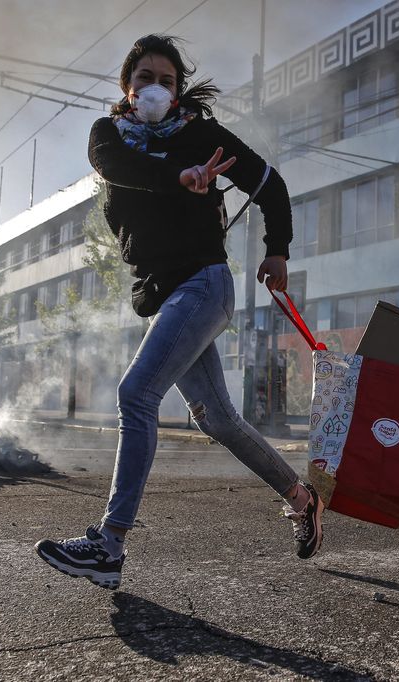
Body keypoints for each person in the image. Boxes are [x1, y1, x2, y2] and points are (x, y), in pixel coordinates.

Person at [35, 35, 323, 590]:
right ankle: (301, 497)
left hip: (204, 284)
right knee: (218, 419)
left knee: (135, 394)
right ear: (127, 87)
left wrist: (278, 250)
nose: (155, 88)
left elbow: (272, 187)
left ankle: (109, 544)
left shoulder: (201, 134)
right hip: (167, 296)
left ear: (179, 90)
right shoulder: (109, 135)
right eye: (145, 77)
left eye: (167, 80)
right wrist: (179, 177)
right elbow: (114, 165)